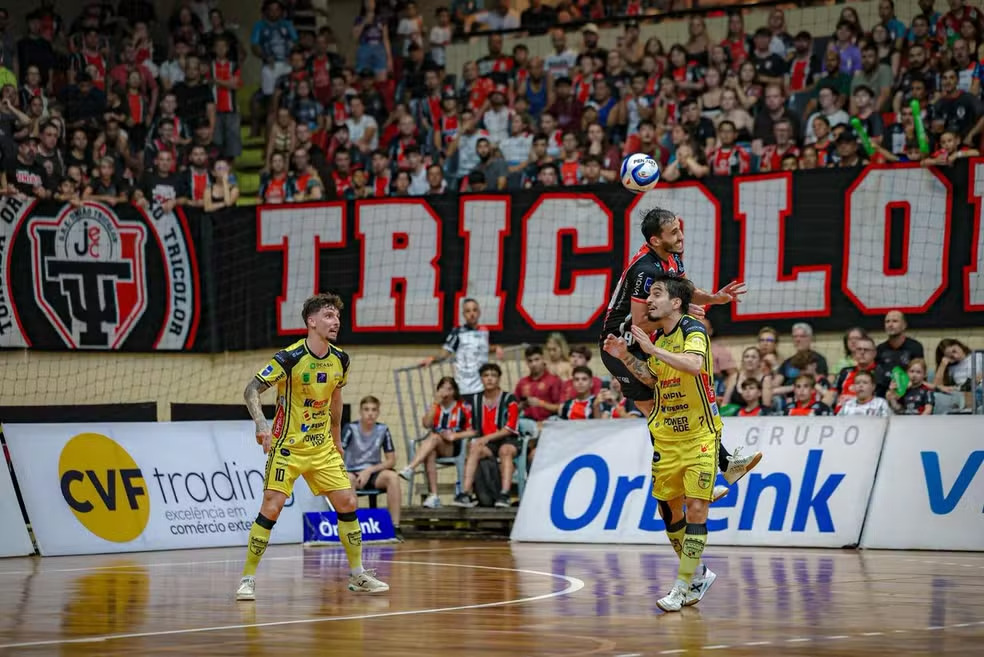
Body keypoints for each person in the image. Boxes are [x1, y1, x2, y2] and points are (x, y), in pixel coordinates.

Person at [599, 207, 760, 500]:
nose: (681, 235)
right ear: (656, 240)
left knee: (687, 401)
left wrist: (713, 298)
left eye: (679, 228)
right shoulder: (645, 271)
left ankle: (723, 465)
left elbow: (683, 289)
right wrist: (680, 309)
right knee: (659, 413)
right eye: (673, 232)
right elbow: (639, 322)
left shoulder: (671, 257)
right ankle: (682, 480)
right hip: (621, 344)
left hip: (648, 342)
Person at [236, 293, 388, 601]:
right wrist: (262, 425)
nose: (336, 322)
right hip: (287, 448)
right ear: (312, 321)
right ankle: (247, 578)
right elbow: (252, 388)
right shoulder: (289, 358)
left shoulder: (340, 360)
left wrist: (335, 436)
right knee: (271, 507)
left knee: (347, 502)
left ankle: (358, 574)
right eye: (329, 316)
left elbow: (336, 397)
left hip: (322, 448)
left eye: (337, 317)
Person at [602, 275, 719, 612]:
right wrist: (626, 357)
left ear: (676, 302)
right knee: (668, 510)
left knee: (697, 509)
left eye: (656, 294)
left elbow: (695, 365)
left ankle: (682, 584)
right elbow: (651, 377)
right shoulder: (658, 338)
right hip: (667, 437)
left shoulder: (692, 330)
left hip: (700, 435)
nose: (648, 301)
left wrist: (651, 349)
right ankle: (697, 572)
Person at [399, 376, 475, 508]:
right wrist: (435, 404)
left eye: (449, 389)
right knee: (431, 451)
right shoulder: (435, 406)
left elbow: (473, 431)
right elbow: (426, 424)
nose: (445, 392)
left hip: (454, 446)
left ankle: (411, 467)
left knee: (433, 438)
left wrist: (455, 435)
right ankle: (433, 496)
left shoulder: (463, 406)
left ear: (454, 392)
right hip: (436, 445)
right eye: (442, 388)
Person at [453, 363, 520, 509]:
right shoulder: (475, 399)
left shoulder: (510, 398)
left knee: (505, 451)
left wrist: (486, 438)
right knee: (475, 447)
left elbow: (510, 428)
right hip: (487, 444)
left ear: (499, 379)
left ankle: (504, 494)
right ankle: (465, 493)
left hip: (508, 440)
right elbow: (471, 426)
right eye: (486, 376)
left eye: (493, 376)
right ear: (481, 379)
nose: (489, 379)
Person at [341, 396, 404, 541]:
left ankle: (395, 527)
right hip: (352, 472)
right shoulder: (350, 428)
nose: (370, 413)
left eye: (374, 410)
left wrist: (369, 470)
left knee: (393, 477)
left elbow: (391, 460)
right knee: (348, 479)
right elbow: (338, 453)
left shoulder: (383, 429)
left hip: (373, 473)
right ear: (360, 412)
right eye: (366, 410)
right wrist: (350, 471)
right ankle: (354, 529)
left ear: (378, 412)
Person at [420, 298, 501, 397]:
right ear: (463, 315)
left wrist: (496, 348)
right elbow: (445, 353)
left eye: (474, 310)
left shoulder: (484, 331)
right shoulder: (458, 333)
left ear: (479, 312)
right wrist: (432, 358)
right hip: (466, 388)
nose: (472, 314)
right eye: (468, 311)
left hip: (483, 387)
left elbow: (483, 348)